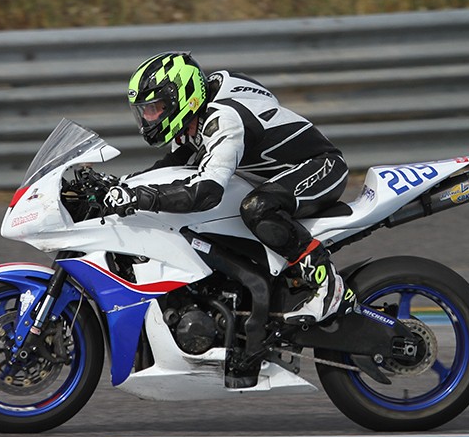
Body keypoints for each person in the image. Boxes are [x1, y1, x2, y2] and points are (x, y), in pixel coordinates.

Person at [103, 51, 356, 386]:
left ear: (182, 97)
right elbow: (173, 164)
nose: (149, 119)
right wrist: (122, 186)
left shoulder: (224, 118)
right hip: (274, 177)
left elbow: (206, 191)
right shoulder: (198, 115)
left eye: (155, 109)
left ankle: (325, 281)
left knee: (256, 208)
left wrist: (141, 197)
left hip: (319, 168)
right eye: (145, 112)